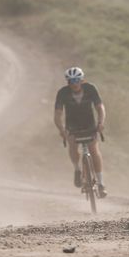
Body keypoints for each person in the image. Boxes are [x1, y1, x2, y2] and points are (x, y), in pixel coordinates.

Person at [54, 66, 107, 197]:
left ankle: (101, 184)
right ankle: (77, 170)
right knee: (72, 144)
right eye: (71, 81)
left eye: (77, 80)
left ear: (82, 80)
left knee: (94, 150)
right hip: (72, 126)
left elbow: (100, 108)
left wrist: (100, 123)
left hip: (89, 125)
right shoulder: (62, 93)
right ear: (68, 82)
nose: (75, 83)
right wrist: (61, 130)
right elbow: (57, 114)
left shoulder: (91, 89)